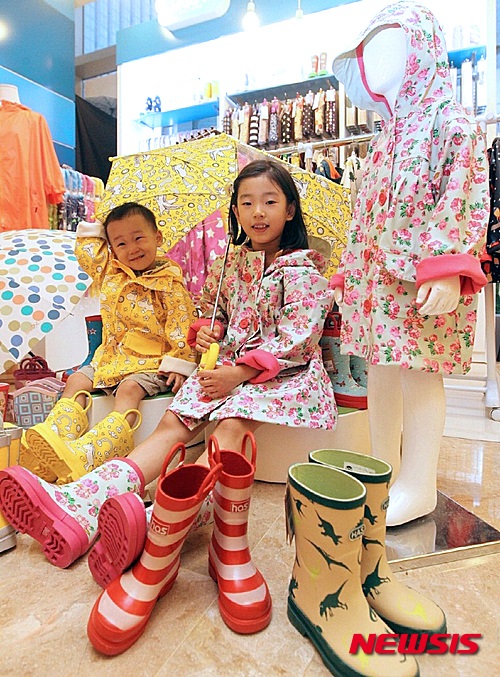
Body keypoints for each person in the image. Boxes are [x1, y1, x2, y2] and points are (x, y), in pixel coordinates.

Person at [0, 159, 336, 645]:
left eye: (269, 201)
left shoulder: (304, 270)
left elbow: (299, 339)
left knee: (229, 429)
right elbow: (217, 317)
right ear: (234, 211)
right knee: (172, 424)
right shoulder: (231, 265)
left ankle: (181, 534)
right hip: (225, 368)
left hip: (282, 375)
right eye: (246, 202)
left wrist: (240, 373)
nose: (257, 212)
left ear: (289, 209)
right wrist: (208, 332)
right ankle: (82, 500)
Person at [329, 2, 489, 526]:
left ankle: (419, 482)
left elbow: (464, 194)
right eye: (368, 52)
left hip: (419, 278)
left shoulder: (451, 122)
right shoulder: (384, 139)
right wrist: (349, 272)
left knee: (421, 372)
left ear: (420, 48)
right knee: (380, 370)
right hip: (376, 281)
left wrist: (447, 266)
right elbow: (362, 213)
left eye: (389, 46)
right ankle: (385, 469)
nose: (375, 62)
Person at [21, 201, 198, 485]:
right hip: (110, 357)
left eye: (139, 238)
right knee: (76, 380)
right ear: (112, 248)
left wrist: (179, 362)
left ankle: (96, 449)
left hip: (151, 362)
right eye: (121, 243)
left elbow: (181, 324)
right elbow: (87, 253)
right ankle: (58, 441)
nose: (132, 248)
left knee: (129, 389)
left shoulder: (169, 283)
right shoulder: (112, 273)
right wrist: (97, 223)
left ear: (158, 237)